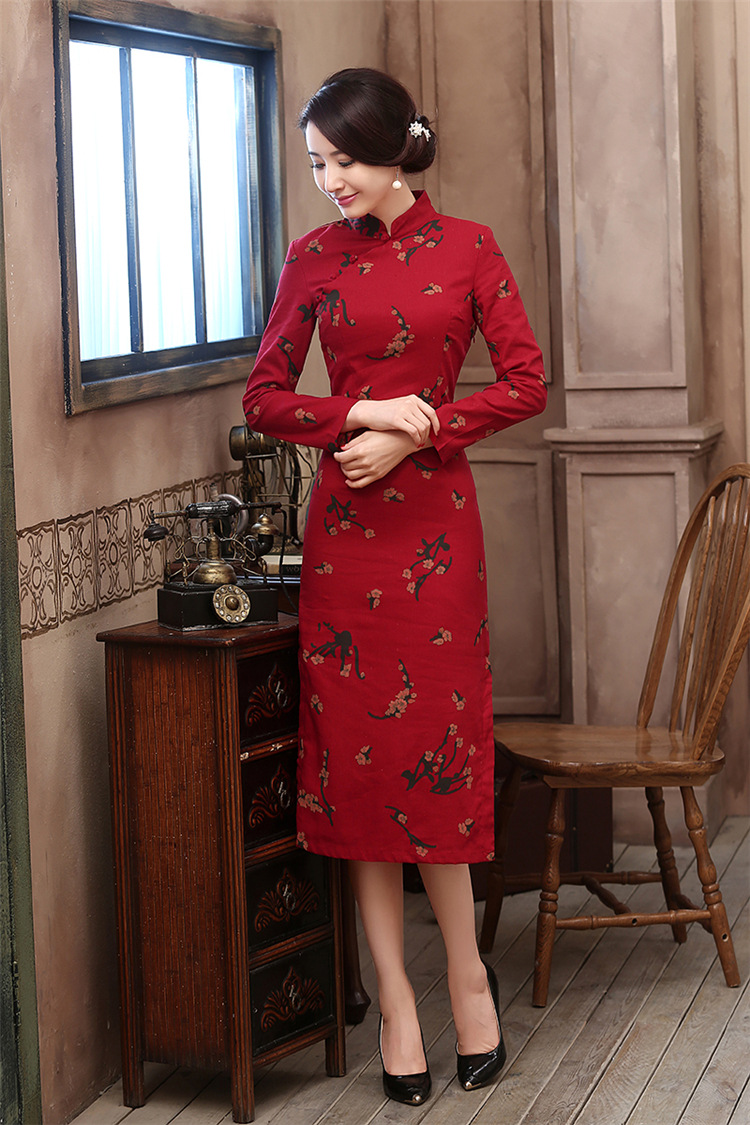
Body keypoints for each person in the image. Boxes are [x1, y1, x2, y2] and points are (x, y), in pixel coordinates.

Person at [242, 67, 546, 1105]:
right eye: (316, 163)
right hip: (347, 537)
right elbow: (265, 397)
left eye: (343, 160)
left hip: (435, 537)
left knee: (433, 761)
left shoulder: (469, 247)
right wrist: (362, 418)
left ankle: (468, 981)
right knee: (360, 776)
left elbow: (525, 381)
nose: (329, 180)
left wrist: (424, 431)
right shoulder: (311, 258)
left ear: (391, 149)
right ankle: (397, 1005)